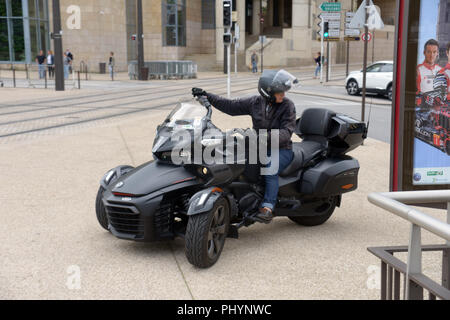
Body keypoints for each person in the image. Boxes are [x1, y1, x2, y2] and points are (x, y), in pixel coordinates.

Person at [192, 70, 298, 223]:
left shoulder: (288, 106)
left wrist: (262, 138)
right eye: (280, 92)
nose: (283, 95)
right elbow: (230, 106)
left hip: (281, 149)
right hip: (258, 146)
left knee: (269, 168)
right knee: (233, 159)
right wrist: (207, 96)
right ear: (268, 92)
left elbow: (286, 133)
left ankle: (268, 206)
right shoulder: (255, 102)